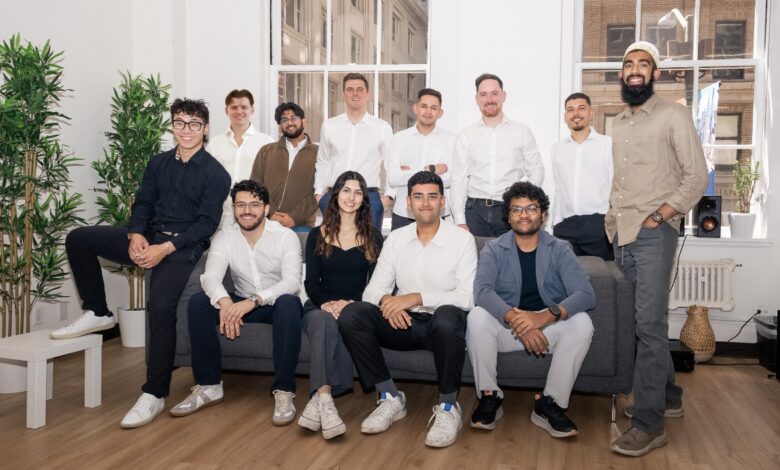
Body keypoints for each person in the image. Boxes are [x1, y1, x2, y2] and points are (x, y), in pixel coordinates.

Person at [51, 99, 231, 429]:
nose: (185, 130)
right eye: (179, 123)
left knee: (160, 307)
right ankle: (98, 311)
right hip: (147, 235)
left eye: (193, 124)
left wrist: (164, 249)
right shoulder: (158, 163)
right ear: (172, 126)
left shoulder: (216, 174)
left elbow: (206, 225)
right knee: (79, 238)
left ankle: (154, 393)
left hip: (181, 247)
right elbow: (143, 203)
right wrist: (135, 234)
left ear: (205, 129)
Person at [607, 41, 708, 457]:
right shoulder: (616, 122)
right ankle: (668, 394)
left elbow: (697, 176)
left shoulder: (674, 115)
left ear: (655, 73)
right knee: (640, 324)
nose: (635, 69)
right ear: (622, 75)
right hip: (620, 233)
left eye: (643, 64)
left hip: (653, 233)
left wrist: (661, 214)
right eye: (628, 64)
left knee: (648, 326)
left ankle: (650, 425)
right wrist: (610, 220)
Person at [338, 171, 477, 448]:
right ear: (408, 204)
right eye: (418, 197)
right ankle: (390, 397)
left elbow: (466, 297)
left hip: (442, 328)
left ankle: (449, 407)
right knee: (353, 314)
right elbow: (372, 290)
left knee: (449, 315)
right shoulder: (396, 239)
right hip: (402, 324)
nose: (425, 203)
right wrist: (388, 304)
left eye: (432, 197)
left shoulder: (462, 240)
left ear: (443, 202)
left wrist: (414, 297)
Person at [466, 182, 595, 438]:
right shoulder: (494, 249)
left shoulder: (559, 249)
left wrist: (543, 317)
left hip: (548, 330)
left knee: (583, 323)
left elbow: (585, 294)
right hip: (507, 330)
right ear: (509, 216)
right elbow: (482, 292)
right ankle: (490, 397)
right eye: (516, 209)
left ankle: (549, 404)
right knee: (477, 316)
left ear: (543, 214)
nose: (524, 215)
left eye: (531, 209)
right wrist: (518, 321)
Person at [171, 180, 304, 426]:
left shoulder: (285, 237)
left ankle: (284, 391)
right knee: (199, 303)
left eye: (254, 204)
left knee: (288, 304)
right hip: (241, 300)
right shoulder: (225, 237)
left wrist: (253, 301)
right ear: (233, 209)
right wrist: (225, 303)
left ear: (266, 208)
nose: (247, 210)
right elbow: (210, 277)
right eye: (240, 205)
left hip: (274, 302)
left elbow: (292, 282)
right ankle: (209, 385)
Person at [297, 171, 384, 440]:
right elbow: (311, 283)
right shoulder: (316, 234)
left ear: (364, 200)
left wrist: (349, 305)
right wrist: (327, 304)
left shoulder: (373, 237)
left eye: (358, 192)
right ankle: (326, 399)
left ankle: (319, 402)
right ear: (336, 195)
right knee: (324, 321)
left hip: (354, 309)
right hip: (318, 307)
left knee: (341, 322)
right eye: (346, 190)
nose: (352, 197)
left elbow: (377, 285)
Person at [451, 73, 544, 237]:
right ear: (477, 99)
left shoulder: (522, 132)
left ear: (503, 95)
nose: (489, 100)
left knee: (512, 261)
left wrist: (523, 203)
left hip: (510, 211)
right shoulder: (466, 135)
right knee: (476, 262)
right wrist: (460, 220)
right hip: (474, 212)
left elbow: (536, 170)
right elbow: (458, 178)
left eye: (494, 93)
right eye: (483, 94)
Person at [314, 73, 394, 229]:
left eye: (359, 89)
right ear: (344, 93)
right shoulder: (329, 126)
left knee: (369, 250)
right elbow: (323, 162)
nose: (355, 93)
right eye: (350, 89)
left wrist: (388, 197)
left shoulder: (382, 128)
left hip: (369, 198)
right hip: (334, 197)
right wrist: (319, 195)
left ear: (367, 94)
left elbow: (392, 165)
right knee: (332, 248)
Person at [550, 92, 614, 260]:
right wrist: (555, 223)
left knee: (600, 280)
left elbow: (616, 185)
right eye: (570, 110)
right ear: (565, 117)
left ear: (591, 113)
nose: (576, 113)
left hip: (598, 225)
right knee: (564, 281)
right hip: (565, 226)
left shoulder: (607, 145)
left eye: (581, 108)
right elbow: (557, 188)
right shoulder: (558, 149)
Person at [386, 88, 455, 230]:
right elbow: (393, 178)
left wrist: (408, 172)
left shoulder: (451, 140)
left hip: (436, 214)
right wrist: (431, 170)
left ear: (440, 113)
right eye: (423, 106)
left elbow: (451, 179)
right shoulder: (399, 139)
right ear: (415, 108)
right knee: (400, 252)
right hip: (403, 214)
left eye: (433, 108)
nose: (428, 112)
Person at [207, 89, 275, 227]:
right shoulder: (214, 143)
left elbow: (273, 181)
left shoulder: (267, 142)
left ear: (252, 109)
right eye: (234, 107)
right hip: (220, 216)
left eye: (244, 107)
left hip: (253, 215)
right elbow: (206, 180)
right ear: (226, 111)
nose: (239, 111)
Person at [250, 102, 318, 232]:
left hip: (301, 225)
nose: (289, 123)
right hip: (267, 222)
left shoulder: (318, 153)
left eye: (294, 118)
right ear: (280, 125)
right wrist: (271, 213)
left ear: (304, 121)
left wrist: (294, 217)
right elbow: (256, 185)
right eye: (284, 120)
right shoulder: (266, 151)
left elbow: (319, 191)